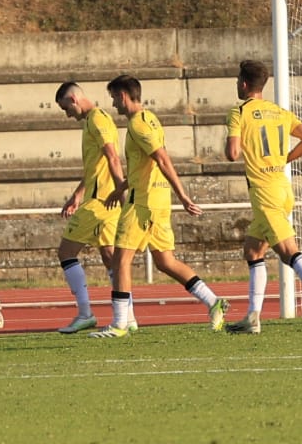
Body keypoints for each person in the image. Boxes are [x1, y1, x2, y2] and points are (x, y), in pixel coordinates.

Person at [89, 75, 229, 338]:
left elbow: (163, 160)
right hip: (158, 201)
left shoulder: (138, 125)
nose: (114, 105)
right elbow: (146, 166)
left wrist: (184, 195)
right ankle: (213, 302)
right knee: (165, 261)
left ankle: (121, 323)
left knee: (120, 260)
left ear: (122, 96)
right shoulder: (151, 119)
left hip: (144, 204)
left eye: (113, 99)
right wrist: (119, 189)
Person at [222, 59, 302, 335]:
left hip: (265, 194)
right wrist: (284, 159)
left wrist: (238, 142)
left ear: (243, 84)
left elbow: (232, 154)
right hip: (282, 188)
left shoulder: (239, 112)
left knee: (288, 251)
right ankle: (253, 317)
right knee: (253, 251)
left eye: (237, 81)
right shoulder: (279, 111)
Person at [54, 82, 127, 335]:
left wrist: (120, 189)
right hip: (105, 200)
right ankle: (127, 316)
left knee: (66, 252)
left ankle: (85, 313)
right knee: (111, 257)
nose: (67, 114)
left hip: (100, 203)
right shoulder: (96, 120)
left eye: (66, 108)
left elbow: (113, 157)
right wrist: (77, 194)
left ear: (74, 99)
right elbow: (96, 167)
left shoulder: (96, 120)